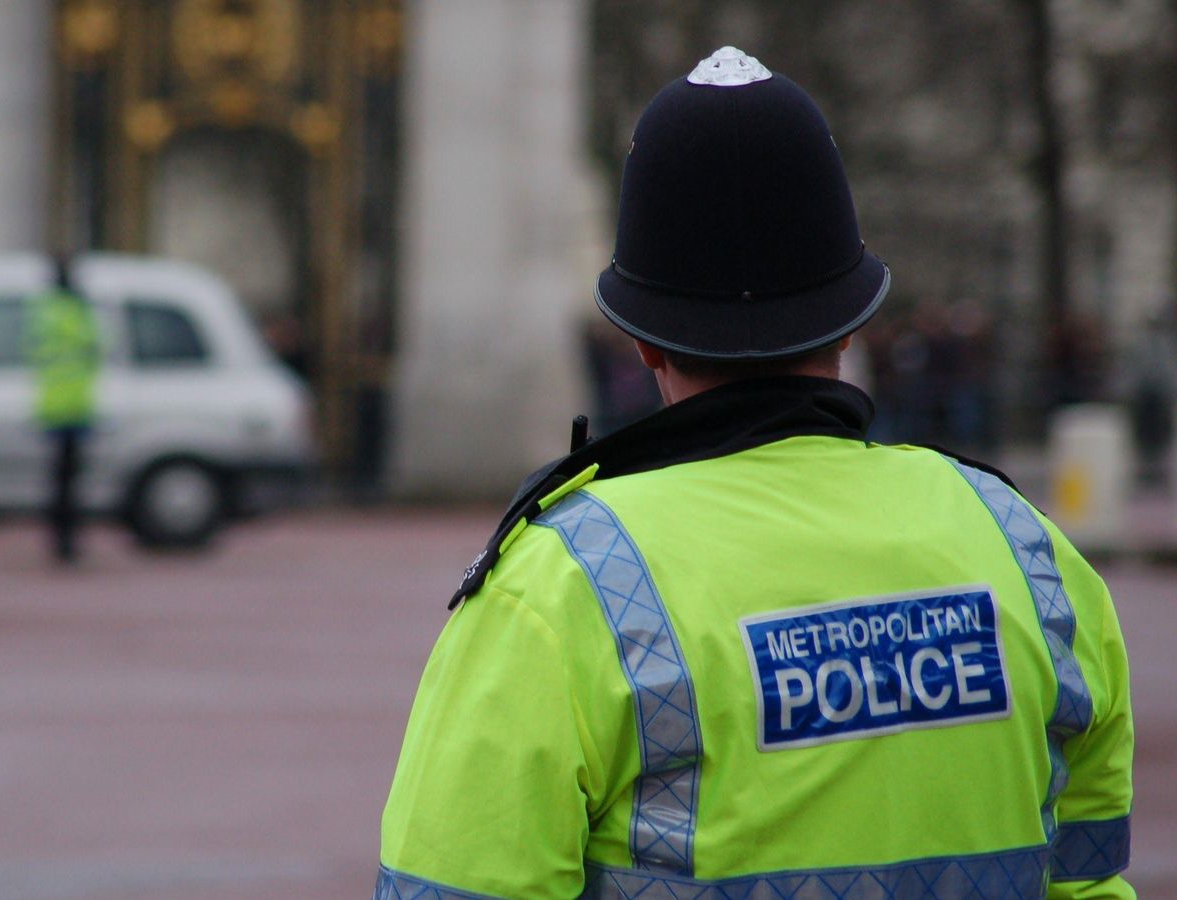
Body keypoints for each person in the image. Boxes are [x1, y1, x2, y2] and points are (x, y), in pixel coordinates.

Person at [375, 48, 1133, 899]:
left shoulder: (563, 589)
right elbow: (1089, 875)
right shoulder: (1025, 549)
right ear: (851, 325)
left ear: (642, 339)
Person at [30, 254, 102, 563]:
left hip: (53, 404)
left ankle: (60, 539)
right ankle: (66, 541)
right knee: (70, 479)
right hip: (75, 405)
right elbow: (95, 344)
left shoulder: (42, 311)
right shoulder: (74, 311)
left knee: (60, 478)